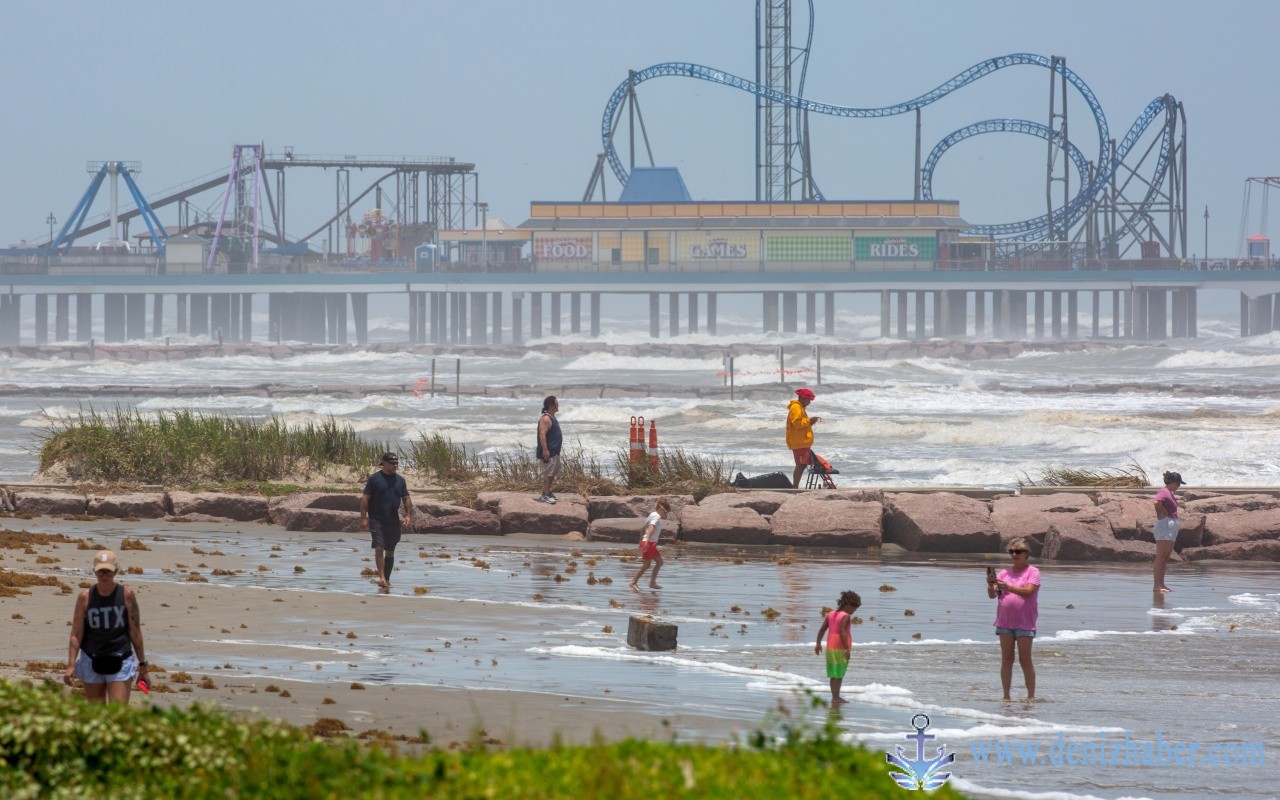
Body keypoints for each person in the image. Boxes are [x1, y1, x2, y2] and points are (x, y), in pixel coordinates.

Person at [63, 550, 149, 704]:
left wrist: (143, 665)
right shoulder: (85, 598)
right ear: (94, 571)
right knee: (97, 714)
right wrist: (70, 665)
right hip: (91, 659)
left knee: (117, 714)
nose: (104, 576)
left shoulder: (126, 595)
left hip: (120, 659)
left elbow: (135, 632)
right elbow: (76, 634)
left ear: (115, 571)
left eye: (108, 572)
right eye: (100, 571)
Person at [988, 538, 1040, 700]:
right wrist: (991, 585)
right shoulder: (1004, 572)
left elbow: (1028, 592)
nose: (1014, 554)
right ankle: (1006, 696)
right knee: (1006, 659)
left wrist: (1008, 587)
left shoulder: (1033, 572)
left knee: (1025, 659)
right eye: (1011, 552)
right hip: (1005, 622)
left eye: (1018, 551)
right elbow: (992, 595)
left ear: (1026, 554)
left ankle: (1030, 696)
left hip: (1025, 622)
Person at [360, 452, 414, 592]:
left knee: (390, 551)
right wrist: (363, 517)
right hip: (376, 519)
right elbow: (365, 498)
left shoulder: (400, 481)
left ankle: (387, 579)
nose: (395, 465)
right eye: (392, 463)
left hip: (393, 520)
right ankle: (382, 577)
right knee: (379, 547)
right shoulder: (375, 479)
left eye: (396, 463)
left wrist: (408, 515)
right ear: (383, 463)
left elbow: (406, 498)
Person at [814, 590, 860, 706]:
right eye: (854, 608)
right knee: (839, 674)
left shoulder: (831, 614)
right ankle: (836, 697)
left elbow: (822, 629)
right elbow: (842, 632)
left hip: (830, 647)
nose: (854, 611)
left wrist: (818, 643)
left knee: (833, 673)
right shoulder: (846, 616)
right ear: (847, 605)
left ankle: (835, 696)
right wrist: (846, 649)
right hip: (840, 647)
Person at [1153, 471, 1184, 594]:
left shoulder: (1169, 493)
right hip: (1165, 524)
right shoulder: (1164, 491)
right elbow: (1156, 502)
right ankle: (1157, 585)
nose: (1179, 486)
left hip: (1170, 524)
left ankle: (1162, 583)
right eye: (1177, 483)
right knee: (1161, 556)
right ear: (1171, 482)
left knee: (1165, 557)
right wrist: (1162, 511)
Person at [629, 498, 670, 591]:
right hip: (649, 543)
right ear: (660, 508)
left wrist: (641, 541)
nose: (665, 515)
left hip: (650, 542)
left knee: (659, 562)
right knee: (647, 565)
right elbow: (651, 528)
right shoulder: (656, 517)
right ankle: (633, 582)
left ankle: (652, 582)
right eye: (665, 512)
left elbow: (643, 529)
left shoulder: (651, 515)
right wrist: (647, 541)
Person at [786, 388, 821, 488]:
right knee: (800, 465)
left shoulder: (799, 407)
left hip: (801, 442)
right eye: (808, 400)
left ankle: (795, 486)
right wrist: (809, 421)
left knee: (802, 465)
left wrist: (809, 422)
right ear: (803, 398)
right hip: (799, 442)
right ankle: (795, 487)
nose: (809, 402)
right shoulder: (796, 408)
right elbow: (796, 423)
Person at [536, 395, 562, 504]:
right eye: (556, 403)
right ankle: (545, 495)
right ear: (551, 405)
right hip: (548, 452)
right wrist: (545, 450)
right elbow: (542, 435)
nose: (558, 404)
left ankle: (547, 491)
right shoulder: (545, 418)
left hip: (555, 451)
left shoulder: (552, 417)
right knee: (548, 473)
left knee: (552, 472)